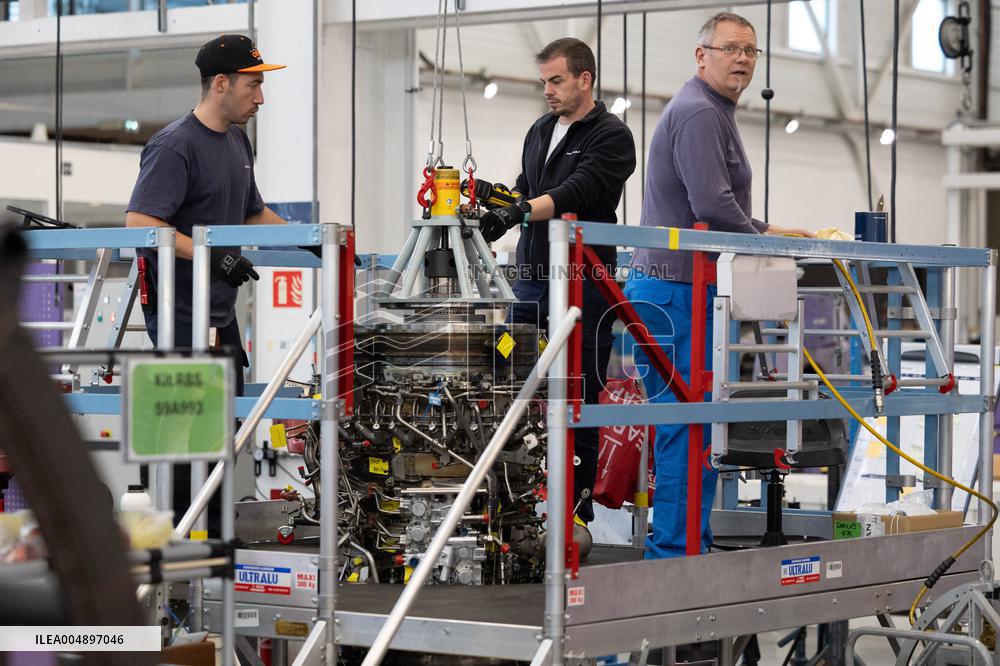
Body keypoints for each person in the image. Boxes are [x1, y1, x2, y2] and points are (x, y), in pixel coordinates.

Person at [626, 12, 814, 559]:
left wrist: (766, 232)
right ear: (700, 53)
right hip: (676, 291)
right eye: (731, 48)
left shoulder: (713, 111)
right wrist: (771, 235)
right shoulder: (699, 113)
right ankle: (675, 555)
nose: (742, 60)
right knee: (686, 428)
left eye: (751, 52)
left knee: (700, 427)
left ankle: (687, 546)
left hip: (686, 289)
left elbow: (710, 205)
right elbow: (710, 205)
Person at [125, 34, 287, 534]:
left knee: (224, 429)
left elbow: (251, 212)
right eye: (253, 85)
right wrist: (212, 258)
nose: (260, 97)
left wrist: (322, 243)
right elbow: (140, 223)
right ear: (221, 83)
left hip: (219, 311)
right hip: (178, 313)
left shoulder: (237, 141)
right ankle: (176, 549)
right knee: (183, 436)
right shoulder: (175, 144)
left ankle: (215, 543)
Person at [479, 37, 636, 526]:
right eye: (543, 80)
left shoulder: (612, 135)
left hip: (583, 286)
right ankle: (510, 503)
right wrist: (496, 198)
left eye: (556, 80)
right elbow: (529, 188)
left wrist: (520, 209)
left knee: (580, 393)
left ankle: (577, 510)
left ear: (584, 79)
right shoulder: (540, 129)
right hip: (530, 284)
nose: (547, 90)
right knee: (507, 380)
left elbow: (575, 192)